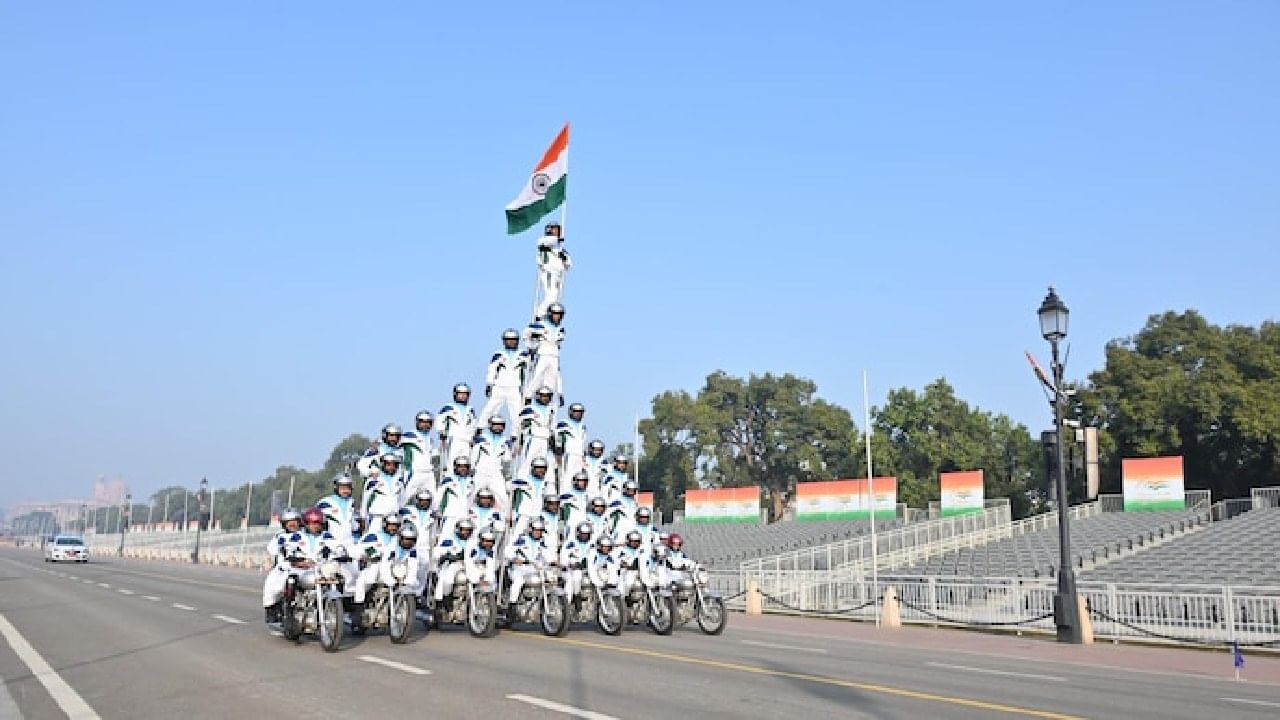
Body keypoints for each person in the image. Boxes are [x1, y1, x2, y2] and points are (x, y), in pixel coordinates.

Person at [264, 507, 347, 623]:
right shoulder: (295, 536)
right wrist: (294, 558)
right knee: (279, 583)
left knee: (339, 578)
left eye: (317, 523)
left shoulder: (326, 536)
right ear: (306, 523)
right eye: (312, 523)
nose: (315, 526)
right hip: (295, 567)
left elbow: (337, 546)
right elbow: (288, 548)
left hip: (318, 567)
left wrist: (342, 553)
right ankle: (288, 608)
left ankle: (338, 607)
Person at [352, 515, 404, 622]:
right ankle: (358, 610)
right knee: (363, 581)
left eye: (396, 526)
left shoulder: (401, 539)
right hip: (373, 566)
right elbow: (360, 548)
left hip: (393, 570)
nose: (393, 528)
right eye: (391, 525)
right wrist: (372, 554)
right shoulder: (374, 536)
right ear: (385, 525)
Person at [479, 330, 530, 427]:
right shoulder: (499, 354)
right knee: (490, 408)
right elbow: (492, 369)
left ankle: (518, 434)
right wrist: (489, 384)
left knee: (517, 412)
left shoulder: (523, 354)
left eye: (513, 340)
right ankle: (480, 429)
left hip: (515, 387)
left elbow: (529, 371)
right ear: (504, 341)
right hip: (499, 387)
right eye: (508, 340)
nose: (511, 342)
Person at [504, 518, 554, 606]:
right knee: (518, 582)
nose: (538, 533)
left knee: (549, 580)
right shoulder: (521, 539)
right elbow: (508, 551)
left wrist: (553, 561)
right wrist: (514, 558)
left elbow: (549, 554)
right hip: (520, 569)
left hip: (535, 569)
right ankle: (512, 606)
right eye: (536, 530)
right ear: (531, 529)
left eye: (540, 531)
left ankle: (543, 603)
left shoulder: (544, 541)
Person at [470, 415, 513, 514]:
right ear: (490, 426)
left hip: (496, 473)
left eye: (500, 425)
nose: (498, 427)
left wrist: (508, 477)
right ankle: (466, 517)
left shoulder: (505, 442)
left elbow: (507, 461)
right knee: (472, 494)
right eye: (495, 425)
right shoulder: (482, 439)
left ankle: (505, 520)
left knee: (504, 497)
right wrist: (471, 470)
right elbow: (473, 456)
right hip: (481, 472)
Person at [261, 509, 302, 613]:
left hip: (304, 567)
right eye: (289, 522)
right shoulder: (280, 536)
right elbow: (272, 549)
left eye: (295, 521)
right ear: (284, 524)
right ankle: (271, 609)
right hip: (284, 568)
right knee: (271, 584)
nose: (292, 524)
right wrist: (281, 548)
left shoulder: (305, 535)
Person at [523, 304, 565, 403]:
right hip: (542, 352)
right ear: (550, 314)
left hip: (554, 355)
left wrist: (560, 393)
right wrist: (530, 347)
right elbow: (526, 333)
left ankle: (549, 398)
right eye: (555, 314)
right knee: (537, 375)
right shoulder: (541, 325)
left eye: (559, 314)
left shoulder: (561, 329)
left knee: (553, 376)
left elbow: (558, 343)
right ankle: (528, 396)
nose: (557, 317)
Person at [431, 518, 475, 603]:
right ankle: (446, 599)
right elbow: (438, 551)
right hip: (453, 564)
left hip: (469, 564)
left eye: (468, 530)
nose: (466, 532)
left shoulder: (474, 541)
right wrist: (447, 554)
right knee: (448, 580)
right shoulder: (450, 539)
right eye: (464, 530)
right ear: (458, 529)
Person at [517, 385, 556, 479]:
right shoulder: (529, 408)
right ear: (538, 396)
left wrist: (553, 439)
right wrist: (521, 440)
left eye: (548, 396)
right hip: (533, 438)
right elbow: (520, 425)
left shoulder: (551, 410)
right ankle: (520, 483)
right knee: (527, 462)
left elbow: (552, 426)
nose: (545, 398)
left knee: (542, 464)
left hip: (545, 439)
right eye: (543, 396)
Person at [400, 412, 440, 499]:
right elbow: (394, 442)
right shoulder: (410, 435)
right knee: (404, 498)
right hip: (414, 472)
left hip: (428, 473)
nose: (425, 424)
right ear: (417, 422)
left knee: (434, 499)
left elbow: (431, 455)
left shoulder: (430, 439)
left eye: (428, 422)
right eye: (422, 422)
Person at [535, 223, 572, 317]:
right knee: (552, 295)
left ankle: (548, 315)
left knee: (555, 298)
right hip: (549, 272)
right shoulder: (545, 241)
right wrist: (556, 240)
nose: (558, 232)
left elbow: (569, 265)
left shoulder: (560, 249)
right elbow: (543, 242)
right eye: (555, 229)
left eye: (558, 230)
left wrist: (564, 259)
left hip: (558, 275)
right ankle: (539, 314)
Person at [379, 524, 425, 599]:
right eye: (406, 539)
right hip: (389, 571)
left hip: (402, 572)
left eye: (411, 540)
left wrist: (409, 581)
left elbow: (413, 565)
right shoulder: (392, 547)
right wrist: (389, 579)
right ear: (400, 538)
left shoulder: (413, 550)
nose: (408, 542)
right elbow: (385, 564)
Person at [362, 452, 404, 533]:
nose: (391, 467)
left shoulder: (399, 481)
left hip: (392, 520)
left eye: (394, 465)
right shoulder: (373, 480)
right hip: (376, 518)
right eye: (388, 464)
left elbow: (401, 500)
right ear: (383, 465)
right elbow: (365, 500)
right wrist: (363, 518)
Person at [434, 456, 474, 540]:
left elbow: (472, 500)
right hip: (450, 516)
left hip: (465, 517)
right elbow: (438, 497)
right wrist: (436, 511)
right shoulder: (448, 480)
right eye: (460, 466)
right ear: (455, 467)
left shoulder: (471, 481)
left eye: (465, 466)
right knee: (444, 540)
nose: (463, 469)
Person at [509, 457, 549, 539]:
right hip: (523, 514)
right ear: (533, 468)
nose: (540, 471)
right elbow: (508, 486)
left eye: (543, 468)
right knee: (516, 537)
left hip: (537, 515)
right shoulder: (523, 480)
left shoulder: (545, 483)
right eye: (538, 468)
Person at [438, 383, 477, 466]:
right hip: (454, 439)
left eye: (465, 394)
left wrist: (474, 437)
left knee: (466, 464)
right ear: (455, 394)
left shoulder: (470, 410)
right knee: (452, 463)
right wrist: (442, 433)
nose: (463, 396)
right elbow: (440, 420)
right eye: (460, 394)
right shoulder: (448, 408)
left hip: (467, 441)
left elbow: (473, 425)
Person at [558, 522, 595, 604]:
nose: (585, 536)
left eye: (587, 534)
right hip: (570, 571)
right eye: (583, 534)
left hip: (587, 571)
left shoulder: (592, 544)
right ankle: (570, 602)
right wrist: (570, 564)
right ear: (578, 533)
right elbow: (563, 557)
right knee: (572, 580)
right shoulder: (570, 543)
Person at [554, 403, 587, 492]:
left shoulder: (583, 427)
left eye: (580, 412)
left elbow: (583, 442)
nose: (578, 414)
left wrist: (583, 457)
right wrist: (559, 454)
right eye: (576, 412)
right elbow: (558, 440)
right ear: (571, 412)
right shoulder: (563, 424)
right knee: (566, 478)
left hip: (579, 455)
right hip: (568, 454)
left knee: (578, 479)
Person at [465, 528, 499, 592]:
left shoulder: (492, 548)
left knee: (491, 585)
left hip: (484, 568)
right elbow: (469, 564)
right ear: (481, 540)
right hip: (472, 568)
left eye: (491, 541)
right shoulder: (472, 547)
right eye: (486, 541)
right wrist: (479, 579)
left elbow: (491, 565)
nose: (488, 543)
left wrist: (487, 579)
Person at [539, 491, 564, 555]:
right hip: (543, 549)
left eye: (556, 504)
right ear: (546, 504)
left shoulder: (558, 517)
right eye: (552, 504)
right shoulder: (540, 516)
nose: (554, 507)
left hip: (555, 548)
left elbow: (561, 532)